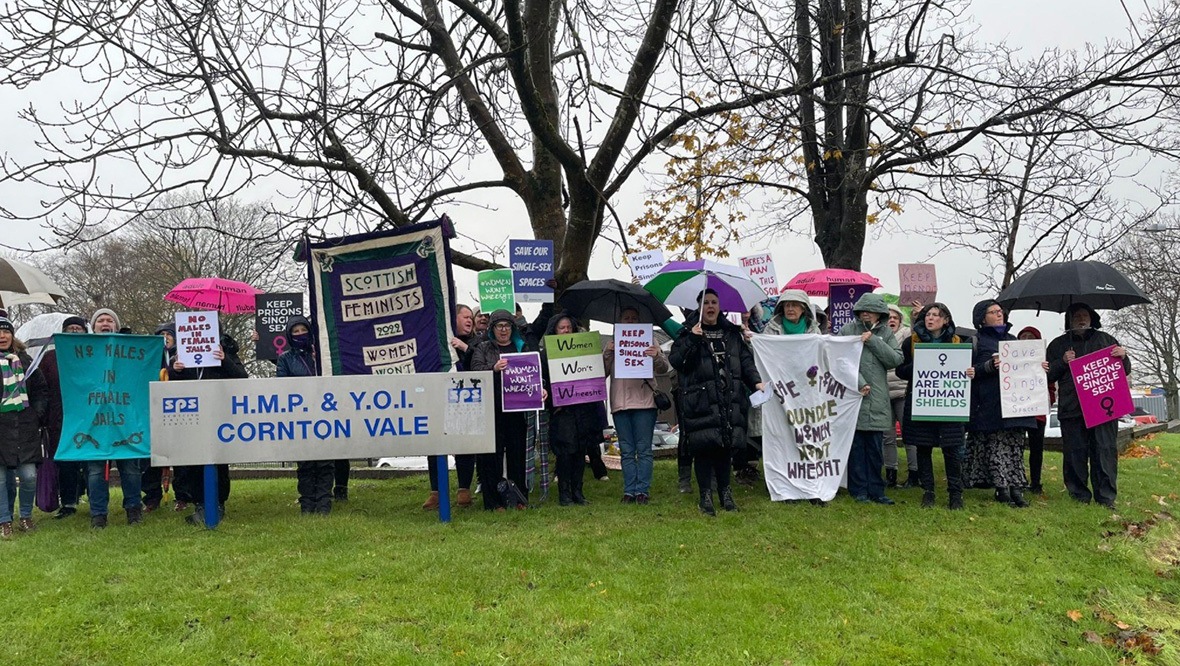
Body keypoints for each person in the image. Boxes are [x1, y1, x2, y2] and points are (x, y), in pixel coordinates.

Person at [670, 289, 764, 516]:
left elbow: (745, 361)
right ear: (699, 307)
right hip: (700, 401)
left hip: (728, 399)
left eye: (714, 302)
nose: (710, 307)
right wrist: (692, 339)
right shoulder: (687, 333)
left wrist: (757, 382)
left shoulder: (731, 333)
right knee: (704, 448)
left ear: (720, 307)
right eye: (706, 303)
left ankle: (726, 493)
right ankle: (705, 497)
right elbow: (677, 361)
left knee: (724, 447)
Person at [1046, 303, 1129, 508]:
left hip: (1103, 408)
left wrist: (1123, 357)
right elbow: (1047, 374)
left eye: (1085, 316)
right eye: (1076, 316)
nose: (1081, 319)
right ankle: (1078, 496)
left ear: (1092, 318)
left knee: (1104, 451)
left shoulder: (1107, 340)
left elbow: (1124, 371)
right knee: (1075, 453)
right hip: (1072, 408)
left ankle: (1106, 497)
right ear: (1069, 320)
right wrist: (1062, 362)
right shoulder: (1058, 345)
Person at [896, 303, 975, 510]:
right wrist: (920, 364)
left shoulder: (959, 342)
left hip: (949, 405)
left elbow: (967, 369)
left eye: (936, 315)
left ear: (946, 320)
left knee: (951, 449)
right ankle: (928, 492)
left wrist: (970, 372)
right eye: (928, 315)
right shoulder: (911, 342)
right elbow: (900, 371)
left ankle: (955, 494)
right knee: (923, 448)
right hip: (922, 401)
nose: (931, 319)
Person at [965, 300, 1043, 508]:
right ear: (982, 318)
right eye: (993, 312)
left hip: (1017, 405)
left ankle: (1016, 488)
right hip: (991, 405)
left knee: (1015, 448)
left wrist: (1039, 366)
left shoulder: (1013, 340)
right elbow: (967, 370)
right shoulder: (976, 341)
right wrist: (989, 366)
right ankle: (1002, 489)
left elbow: (1027, 369)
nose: (999, 315)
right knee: (997, 448)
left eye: (1000, 311)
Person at [169, 327, 249, 524]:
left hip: (219, 415)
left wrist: (224, 359)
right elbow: (169, 382)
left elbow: (242, 377)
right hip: (191, 417)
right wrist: (175, 370)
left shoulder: (226, 351)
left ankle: (219, 503)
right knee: (194, 462)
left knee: (219, 462)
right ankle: (200, 503)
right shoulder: (182, 354)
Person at [837, 294, 902, 504]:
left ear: (879, 313)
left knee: (875, 449)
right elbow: (839, 360)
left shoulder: (885, 333)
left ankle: (877, 490)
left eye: (870, 310)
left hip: (877, 399)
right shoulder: (847, 330)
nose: (865, 313)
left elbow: (895, 359)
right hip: (854, 397)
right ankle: (859, 491)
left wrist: (873, 341)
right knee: (856, 449)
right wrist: (859, 383)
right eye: (862, 310)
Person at [85, 308, 145, 528]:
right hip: (94, 421)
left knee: (130, 468)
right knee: (95, 470)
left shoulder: (129, 349)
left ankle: (134, 509)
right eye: (100, 320)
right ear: (93, 327)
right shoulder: (85, 351)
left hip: (125, 419)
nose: (105, 322)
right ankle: (98, 514)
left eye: (109, 319)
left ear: (116, 326)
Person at [603, 307, 669, 505]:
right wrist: (608, 353)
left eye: (634, 318)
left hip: (645, 402)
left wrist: (656, 355)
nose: (630, 321)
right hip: (620, 403)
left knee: (644, 449)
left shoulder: (650, 340)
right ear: (620, 322)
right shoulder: (611, 344)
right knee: (627, 449)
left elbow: (664, 368)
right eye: (626, 318)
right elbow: (600, 372)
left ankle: (642, 491)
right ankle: (629, 490)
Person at [470, 309, 533, 510]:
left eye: (507, 326)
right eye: (499, 326)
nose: (503, 330)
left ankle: (519, 498)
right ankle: (494, 501)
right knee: (491, 458)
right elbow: (475, 372)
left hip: (516, 410)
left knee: (517, 455)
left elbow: (534, 374)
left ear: (512, 328)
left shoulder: (521, 348)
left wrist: (541, 389)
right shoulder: (482, 348)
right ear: (492, 329)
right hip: (491, 410)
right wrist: (494, 369)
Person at [275, 315, 337, 515]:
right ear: (289, 335)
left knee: (326, 462)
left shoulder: (323, 354)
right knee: (306, 463)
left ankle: (325, 503)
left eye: (303, 330)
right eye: (295, 331)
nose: (300, 334)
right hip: (300, 417)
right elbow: (282, 387)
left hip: (326, 414)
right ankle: (307, 505)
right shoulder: (285, 359)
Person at [542, 312, 603, 506]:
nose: (566, 330)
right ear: (554, 331)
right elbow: (542, 381)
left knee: (580, 452)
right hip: (562, 412)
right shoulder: (545, 354)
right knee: (565, 454)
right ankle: (564, 494)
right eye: (562, 328)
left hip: (583, 410)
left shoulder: (584, 351)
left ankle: (578, 492)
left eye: (569, 327)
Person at [422, 304, 479, 510]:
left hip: (465, 401)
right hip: (438, 399)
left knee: (464, 444)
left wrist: (465, 349)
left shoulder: (476, 342)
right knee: (435, 445)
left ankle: (463, 489)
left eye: (470, 317)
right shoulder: (438, 341)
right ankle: (436, 491)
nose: (469, 320)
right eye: (464, 316)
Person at [0, 317, 48, 538]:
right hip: (1, 428)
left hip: (26, 427)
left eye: (6, 331)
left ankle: (26, 516)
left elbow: (40, 389)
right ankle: (4, 520)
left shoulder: (26, 361)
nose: (2, 336)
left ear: (12, 335)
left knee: (28, 476)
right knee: (1, 480)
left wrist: (37, 413)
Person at [42, 315, 89, 519]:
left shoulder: (93, 356)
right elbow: (42, 388)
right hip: (59, 418)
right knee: (65, 462)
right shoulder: (50, 358)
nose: (74, 331)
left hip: (90, 417)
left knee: (90, 462)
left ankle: (94, 499)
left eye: (78, 328)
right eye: (70, 328)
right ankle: (68, 502)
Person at [883, 304, 917, 488]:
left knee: (909, 434)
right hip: (882, 390)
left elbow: (915, 339)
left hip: (902, 390)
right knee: (887, 436)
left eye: (895, 317)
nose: (892, 320)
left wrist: (914, 318)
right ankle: (890, 474)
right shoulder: (877, 336)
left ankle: (914, 473)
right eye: (888, 317)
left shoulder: (906, 335)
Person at [1017, 326, 1054, 495]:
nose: (1026, 340)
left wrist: (1048, 402)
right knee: (1016, 447)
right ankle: (1018, 479)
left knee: (1036, 449)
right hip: (1016, 410)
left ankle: (1036, 481)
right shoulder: (1013, 360)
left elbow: (1051, 386)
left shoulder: (1044, 361)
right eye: (1023, 336)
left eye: (1030, 337)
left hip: (1037, 413)